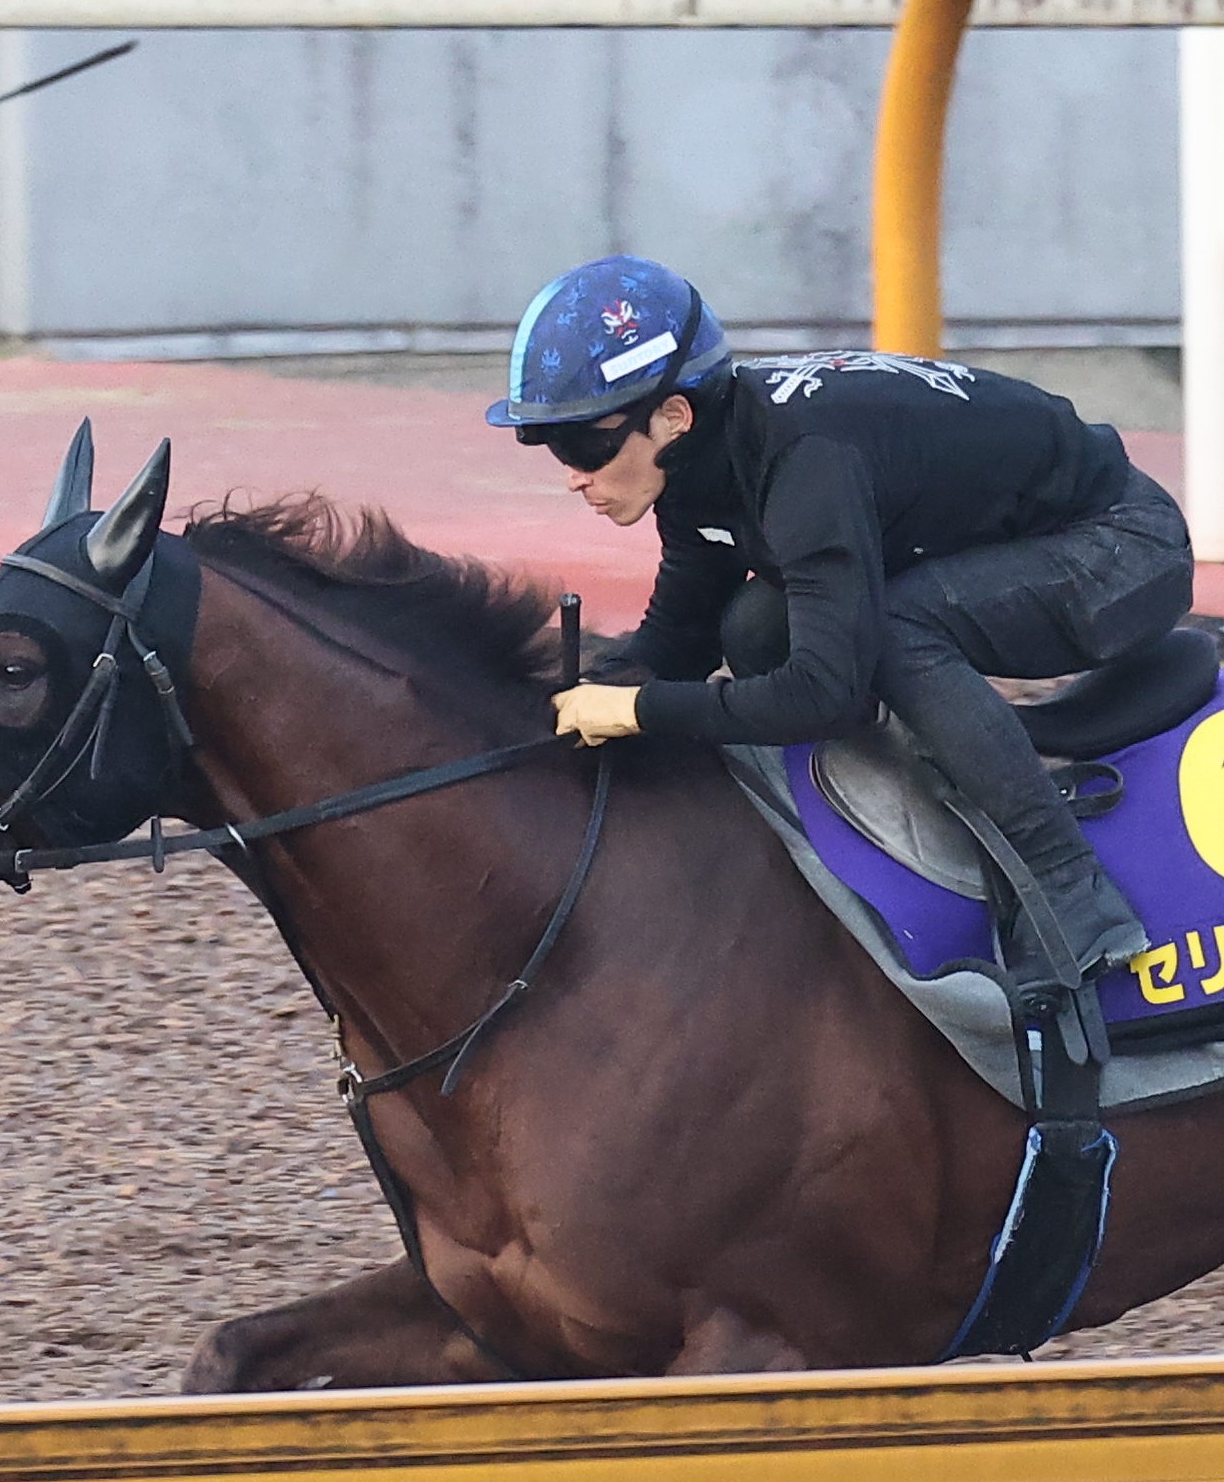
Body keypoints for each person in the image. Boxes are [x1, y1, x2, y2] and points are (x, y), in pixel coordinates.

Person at [504, 255, 1187, 1051]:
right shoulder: (700, 462)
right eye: (548, 447)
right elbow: (674, 645)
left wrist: (634, 708)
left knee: (891, 629)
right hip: (1009, 538)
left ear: (674, 417)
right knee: (756, 625)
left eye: (583, 446)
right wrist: (546, 708)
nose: (572, 477)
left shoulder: (804, 460)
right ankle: (885, 807)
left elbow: (821, 690)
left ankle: (1076, 897)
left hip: (1122, 550)